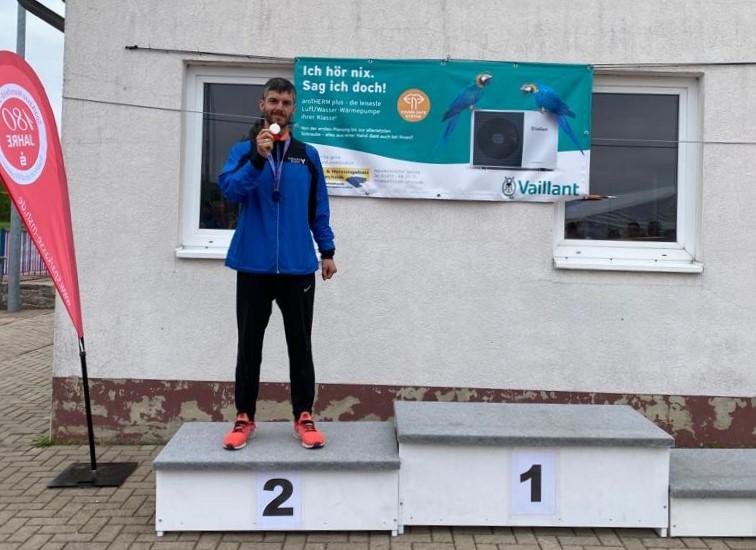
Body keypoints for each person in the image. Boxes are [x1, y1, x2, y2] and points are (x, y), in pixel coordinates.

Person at [217, 77, 336, 450]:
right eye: (273, 101)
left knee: (300, 345)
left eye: (285, 102)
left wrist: (327, 250)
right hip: (253, 266)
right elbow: (230, 191)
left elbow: (318, 207)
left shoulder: (307, 155)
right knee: (249, 345)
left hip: (298, 267)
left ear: (293, 108)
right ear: (262, 105)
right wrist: (257, 158)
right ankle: (244, 416)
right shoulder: (243, 151)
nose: (279, 108)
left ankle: (304, 415)